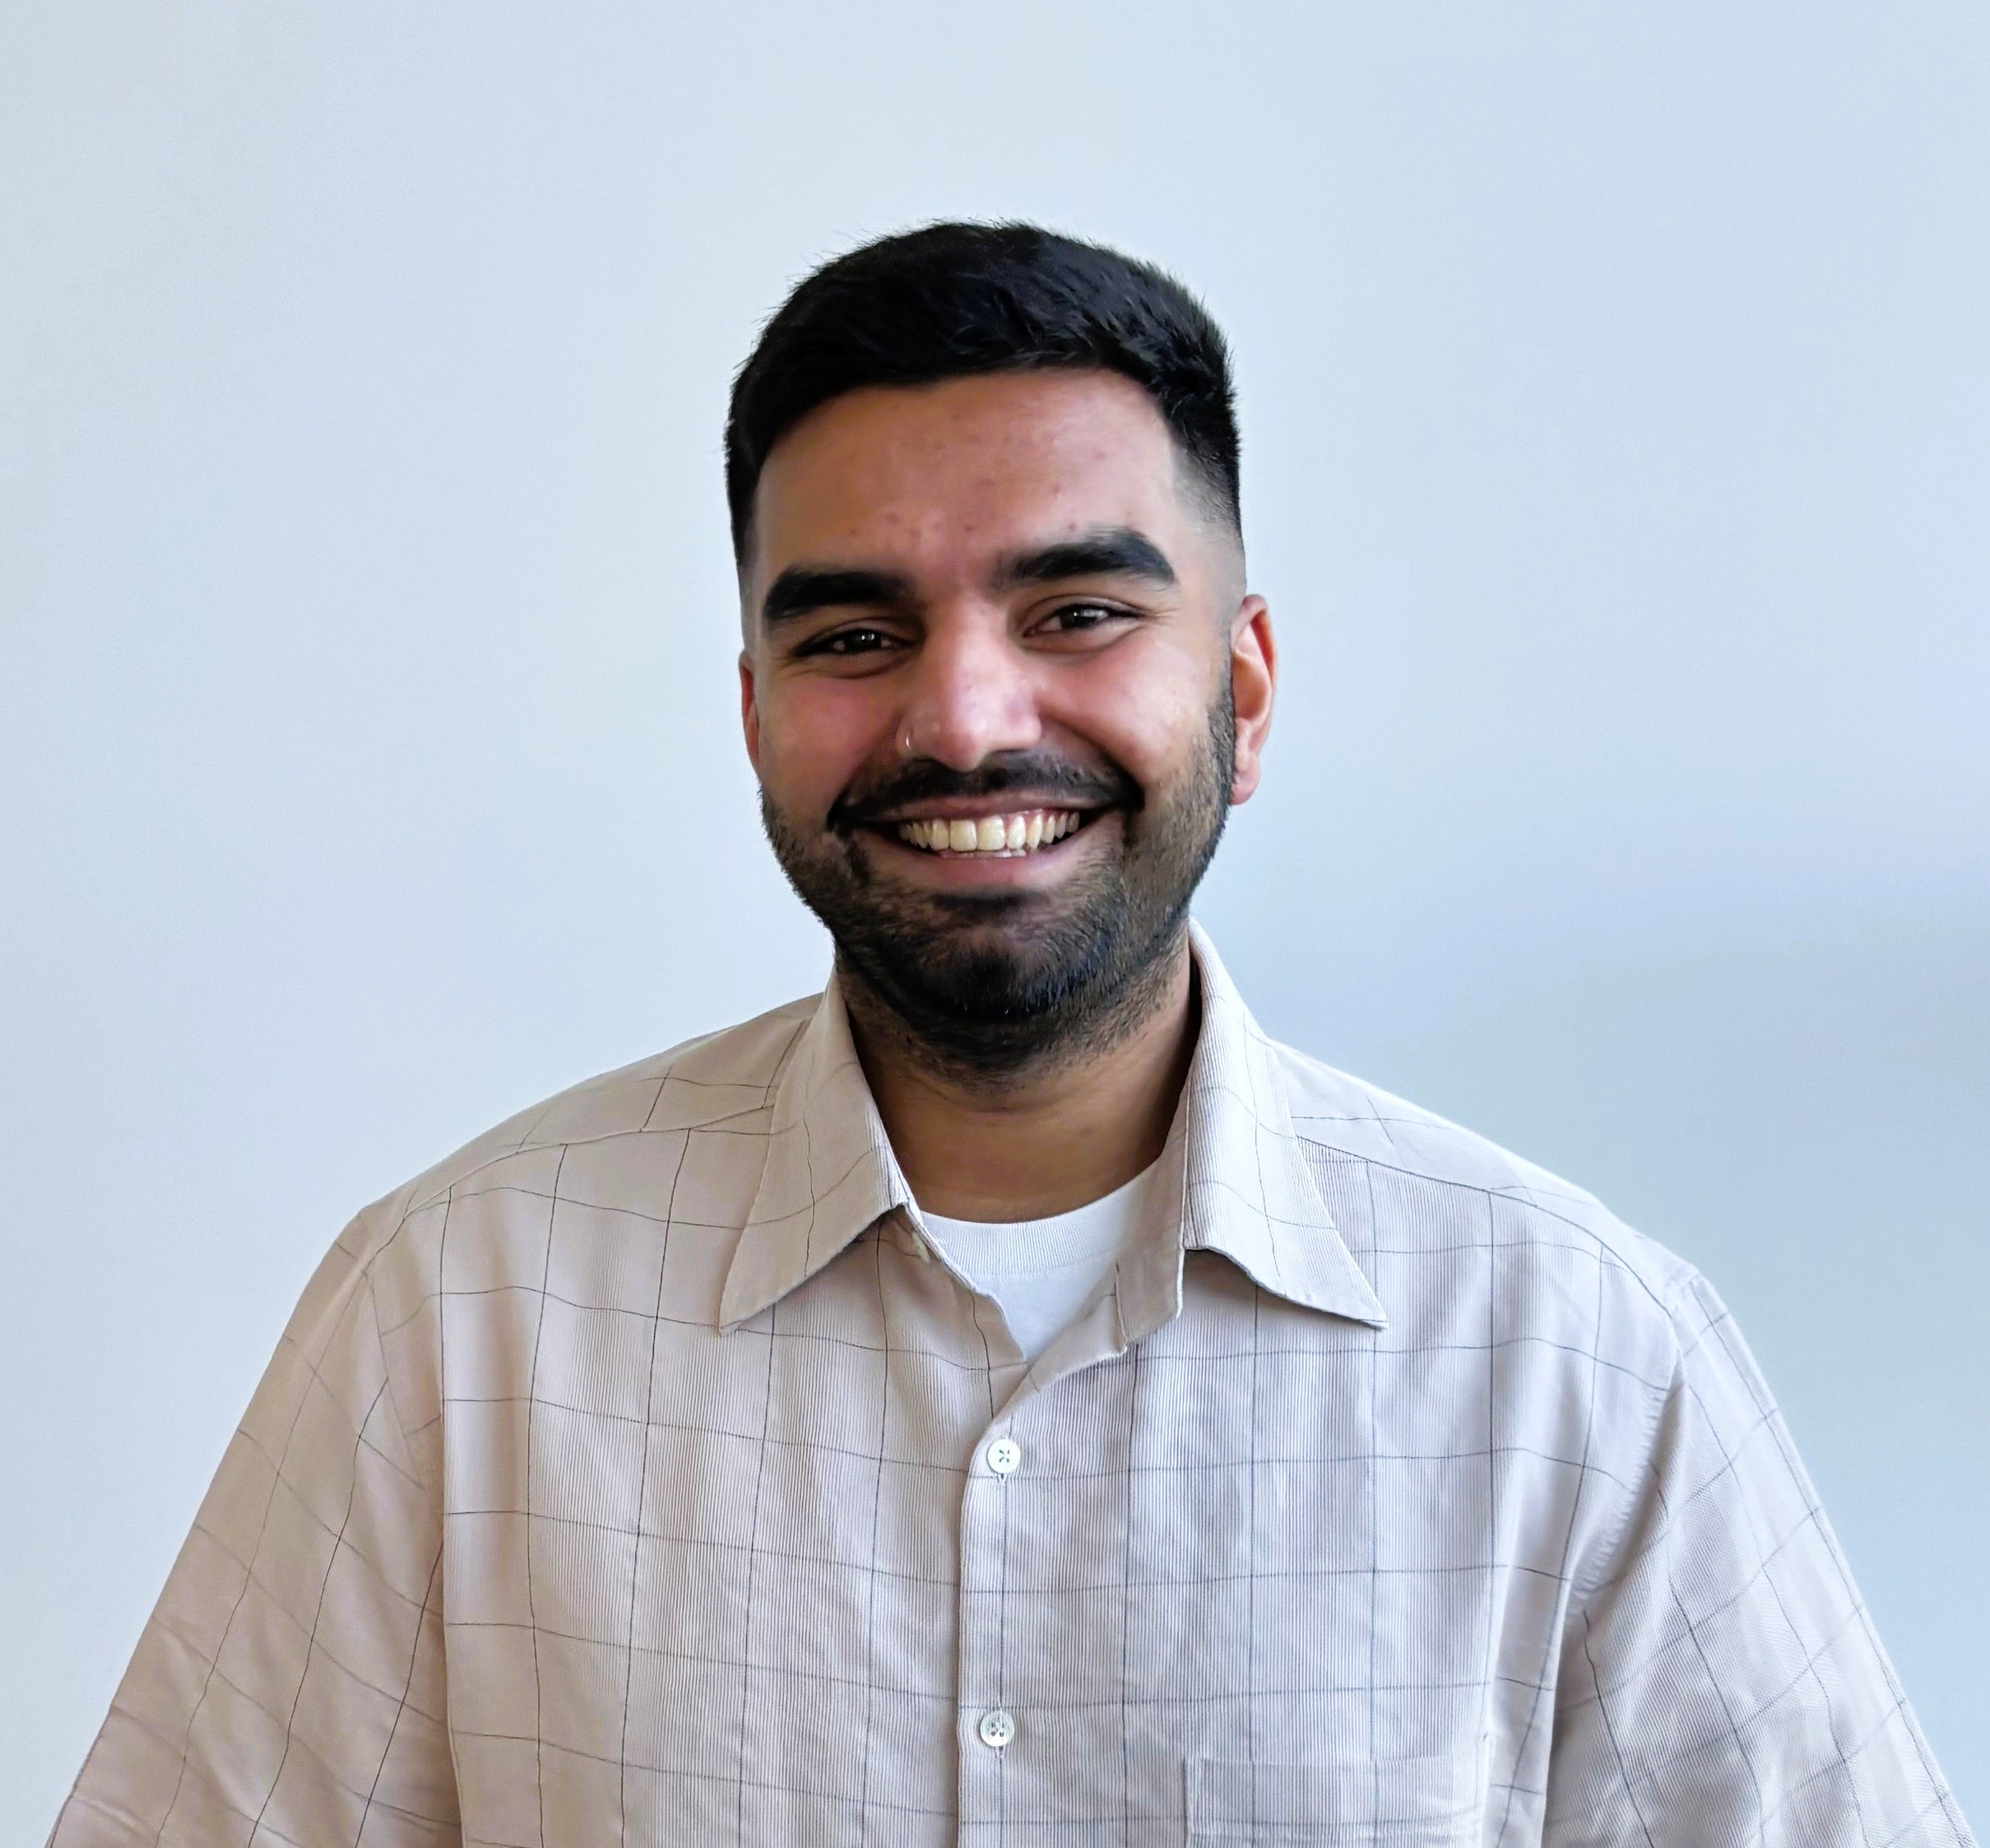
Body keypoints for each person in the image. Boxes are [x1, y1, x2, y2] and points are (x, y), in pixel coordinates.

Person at [53, 223, 1968, 1847]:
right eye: (852, 637)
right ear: (753, 712)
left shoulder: (1577, 1362)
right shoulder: (458, 1317)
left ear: (1242, 690)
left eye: (1075, 611)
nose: (966, 721)